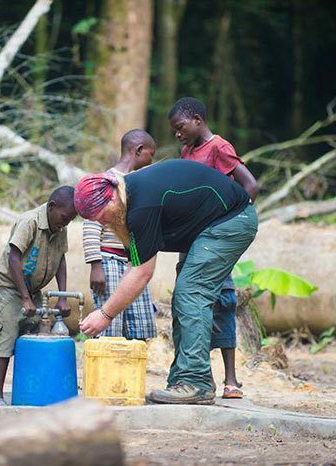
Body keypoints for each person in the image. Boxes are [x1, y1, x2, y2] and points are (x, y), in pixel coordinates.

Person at [75, 159, 258, 405]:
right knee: (185, 295)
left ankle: (196, 382)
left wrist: (105, 314)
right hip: (209, 227)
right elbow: (134, 266)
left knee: (191, 293)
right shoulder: (128, 203)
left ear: (111, 199)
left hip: (232, 221)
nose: (101, 223)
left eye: (101, 217)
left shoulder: (141, 205)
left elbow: (142, 273)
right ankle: (184, 379)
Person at [168, 96, 259, 399]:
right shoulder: (186, 151)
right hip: (193, 238)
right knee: (189, 302)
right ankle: (191, 373)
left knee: (221, 301)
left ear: (197, 119)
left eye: (180, 127)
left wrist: (226, 223)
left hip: (215, 239)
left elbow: (250, 185)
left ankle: (229, 379)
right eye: (174, 130)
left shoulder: (219, 147)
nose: (177, 134)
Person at [0, 186, 77, 405]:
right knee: (5, 338)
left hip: (34, 289)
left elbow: (61, 260)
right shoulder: (29, 222)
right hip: (11, 288)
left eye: (69, 221)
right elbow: (14, 258)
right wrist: (25, 298)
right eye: (64, 218)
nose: (65, 224)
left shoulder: (60, 226)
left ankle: (34, 388)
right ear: (52, 206)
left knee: (37, 336)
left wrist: (63, 296)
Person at [83, 129, 157, 340]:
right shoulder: (107, 182)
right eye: (150, 155)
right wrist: (95, 265)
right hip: (109, 259)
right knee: (109, 324)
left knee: (140, 322)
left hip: (133, 261)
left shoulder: (141, 184)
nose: (151, 161)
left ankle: (131, 366)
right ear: (139, 150)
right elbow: (91, 225)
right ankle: (108, 368)